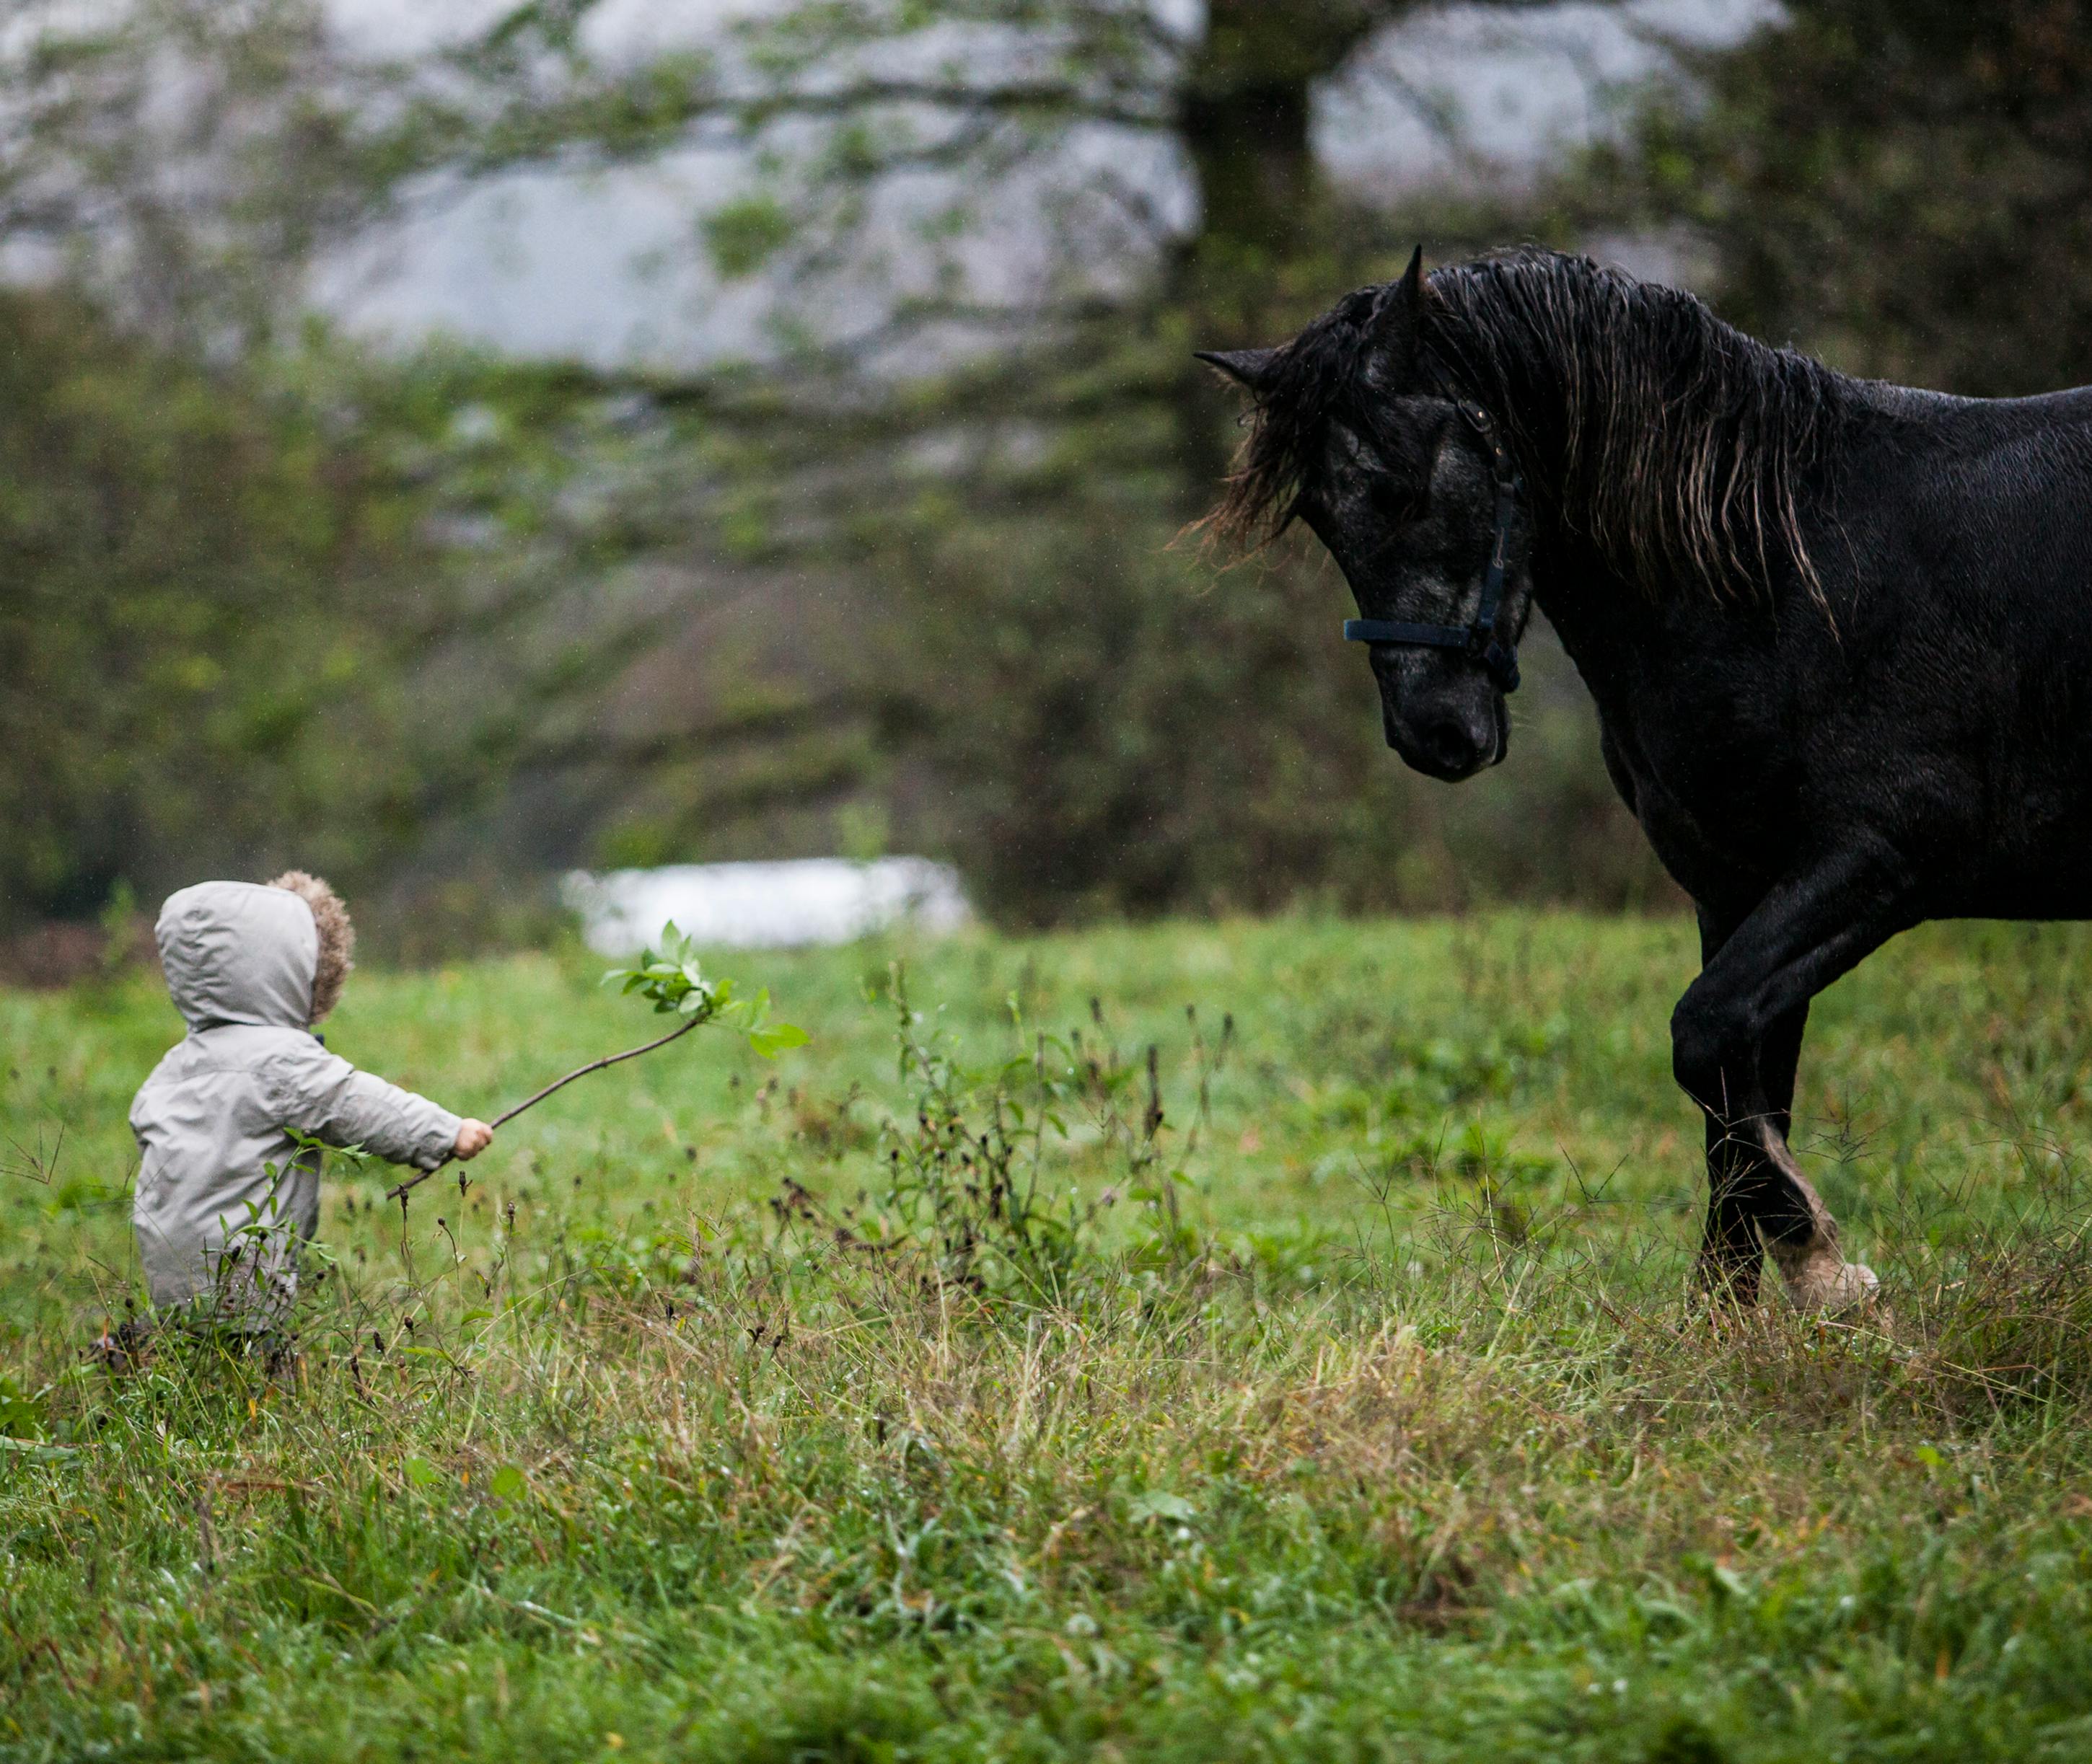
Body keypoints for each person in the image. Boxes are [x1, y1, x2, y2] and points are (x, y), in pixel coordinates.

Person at [127, 873, 493, 1335]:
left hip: (169, 1268)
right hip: (248, 1272)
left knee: (193, 1355)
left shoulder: (173, 1066)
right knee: (255, 1368)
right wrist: (443, 1132)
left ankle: (140, 1352)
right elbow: (356, 1104)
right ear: (283, 964)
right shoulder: (280, 1059)